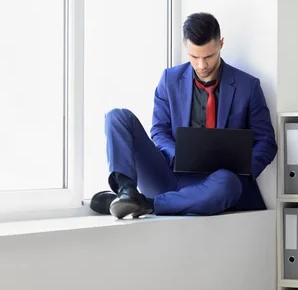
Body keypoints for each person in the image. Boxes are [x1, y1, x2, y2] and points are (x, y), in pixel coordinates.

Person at [90, 12, 277, 219]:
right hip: (170, 177)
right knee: (117, 117)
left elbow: (266, 142)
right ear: (185, 46)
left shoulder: (247, 87)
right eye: (194, 57)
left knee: (228, 183)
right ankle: (127, 191)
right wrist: (177, 155)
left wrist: (243, 171)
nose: (201, 65)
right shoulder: (170, 80)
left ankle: (144, 203)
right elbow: (159, 131)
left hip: (218, 184)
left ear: (221, 44)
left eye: (208, 57)